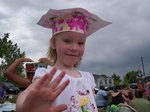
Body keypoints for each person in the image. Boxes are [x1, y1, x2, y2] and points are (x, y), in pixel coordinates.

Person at [16, 7, 111, 112]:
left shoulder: (88, 78)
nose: (74, 48)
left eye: (80, 43)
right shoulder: (47, 75)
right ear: (53, 43)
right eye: (67, 40)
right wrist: (26, 107)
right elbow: (24, 96)